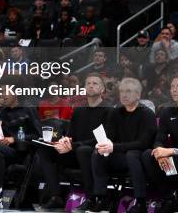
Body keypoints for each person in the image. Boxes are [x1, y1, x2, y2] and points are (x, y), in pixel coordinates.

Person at [37, 74, 110, 211]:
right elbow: (71, 135)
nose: (91, 86)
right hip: (76, 151)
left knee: (84, 151)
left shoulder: (108, 110)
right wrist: (65, 141)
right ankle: (56, 196)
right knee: (45, 150)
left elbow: (101, 139)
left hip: (96, 153)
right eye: (88, 83)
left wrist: (72, 145)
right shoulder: (79, 111)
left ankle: (91, 198)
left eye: (95, 83)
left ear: (102, 89)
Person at [89, 78, 156, 213]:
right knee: (97, 153)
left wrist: (114, 147)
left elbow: (144, 143)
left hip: (140, 155)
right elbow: (110, 135)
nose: (124, 95)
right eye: (122, 91)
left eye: (129, 91)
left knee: (132, 154)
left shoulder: (147, 114)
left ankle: (140, 202)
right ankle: (101, 198)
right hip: (120, 156)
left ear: (138, 95)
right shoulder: (116, 112)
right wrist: (104, 143)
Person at [142, 75, 178, 213]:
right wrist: (159, 152)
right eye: (172, 86)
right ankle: (169, 198)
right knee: (148, 155)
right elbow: (159, 138)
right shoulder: (166, 111)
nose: (174, 89)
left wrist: (172, 151)